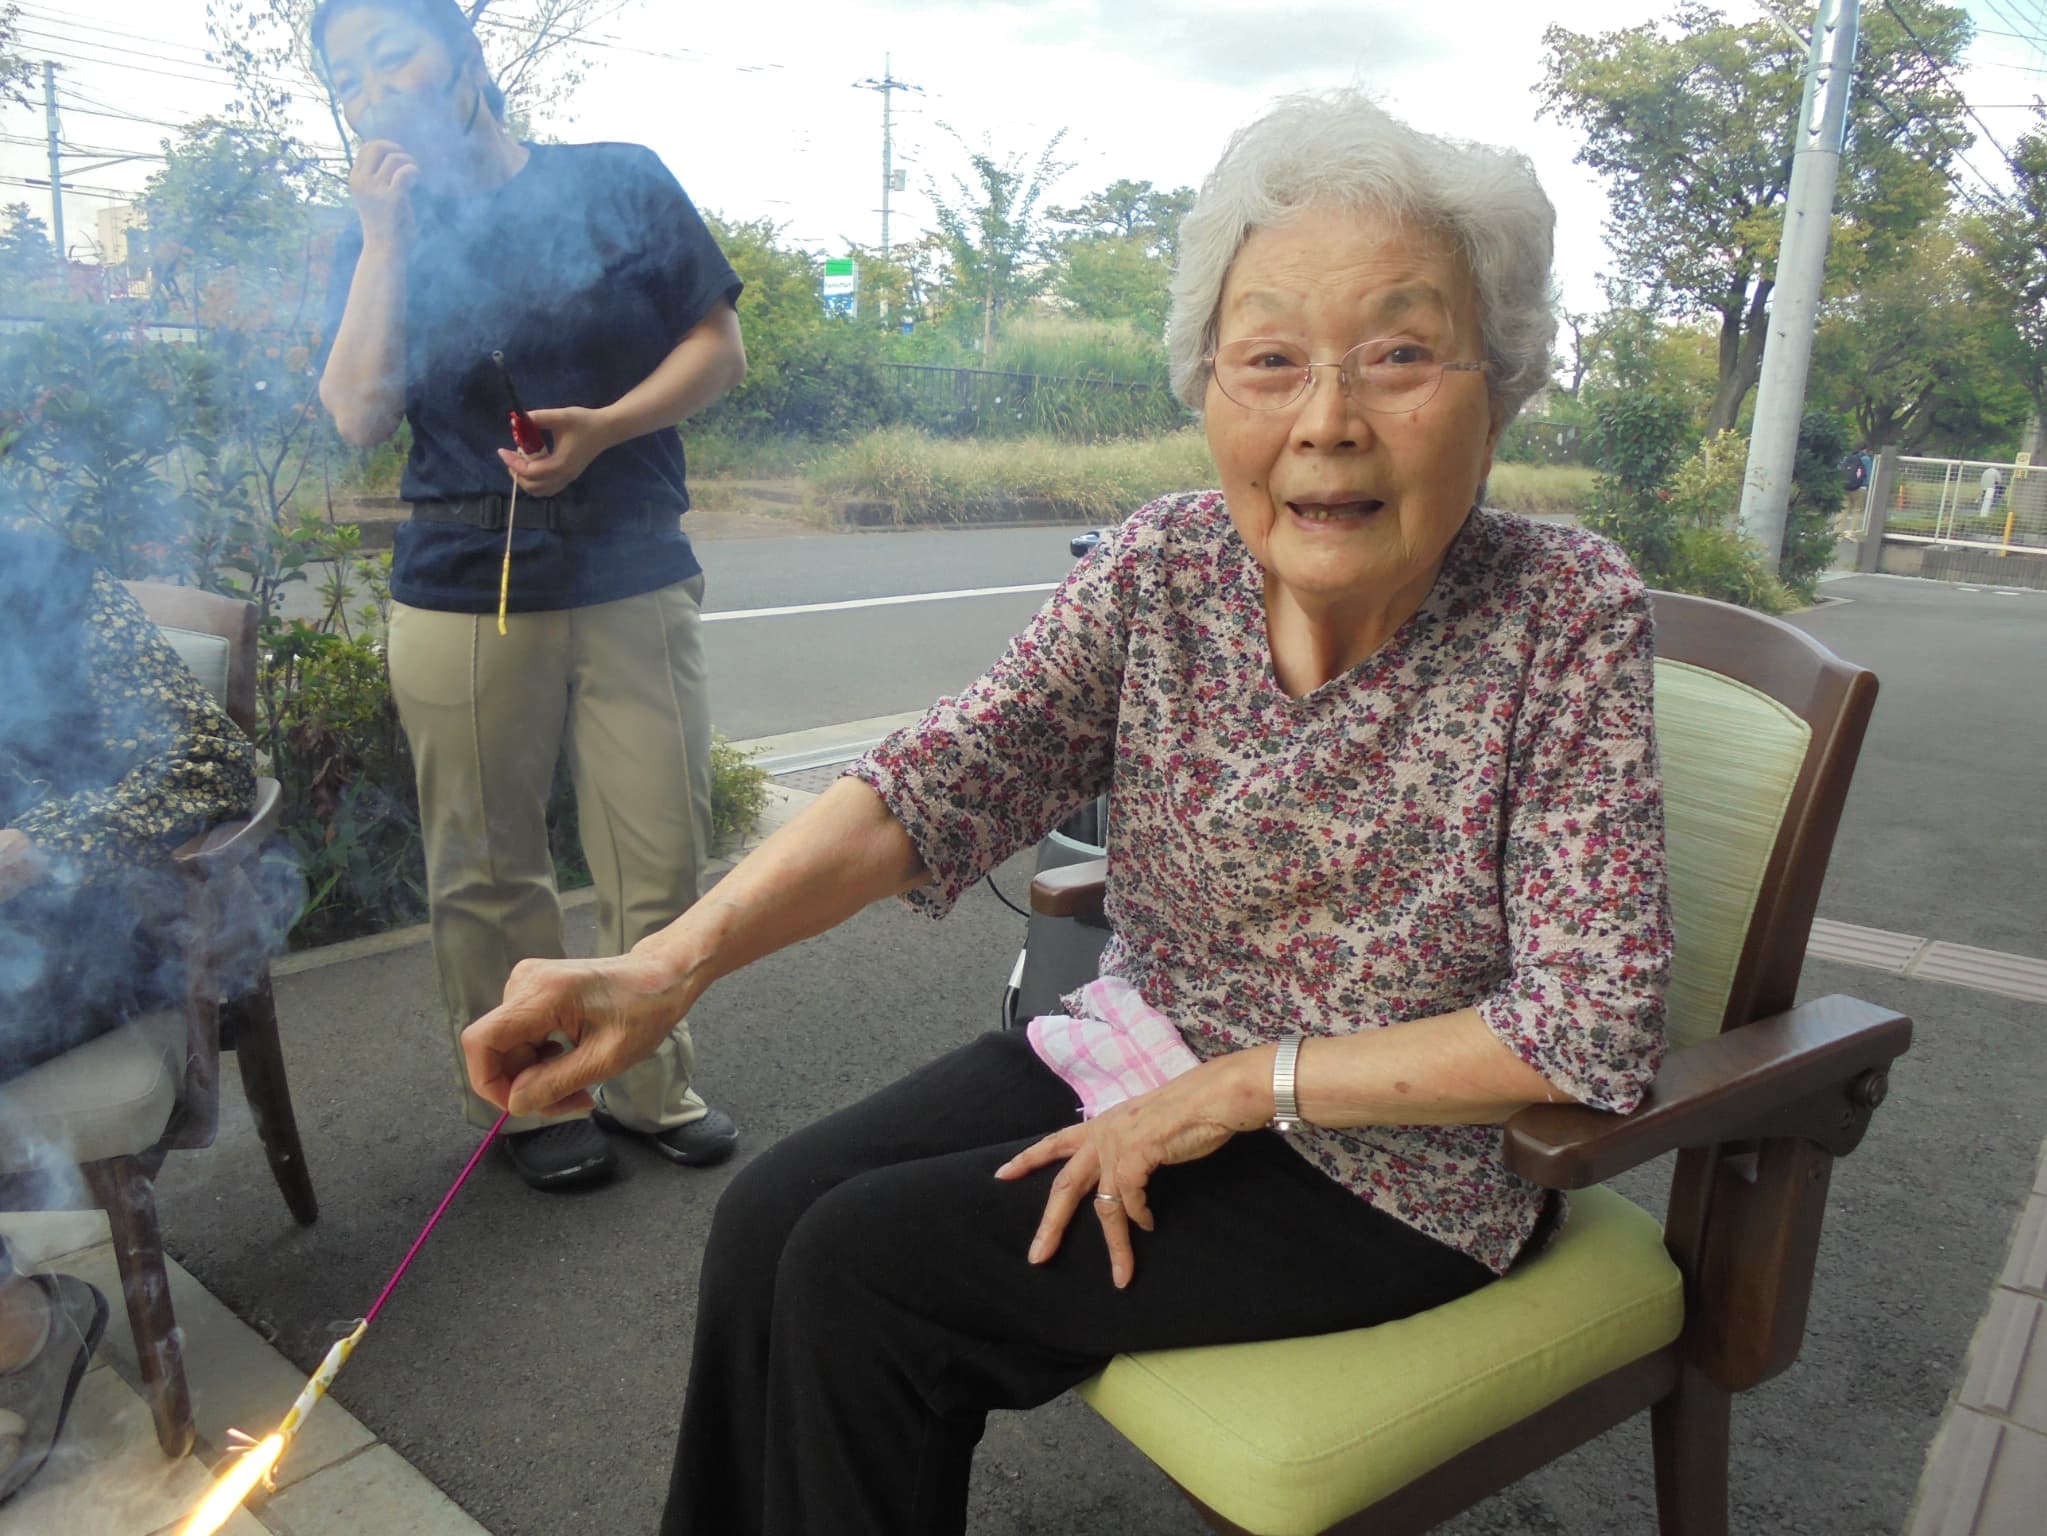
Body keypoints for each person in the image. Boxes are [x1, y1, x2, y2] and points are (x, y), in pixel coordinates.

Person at [463, 91, 1673, 1535]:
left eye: (1400, 356)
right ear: (1207, 387)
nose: (1328, 423)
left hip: (1390, 1170)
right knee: (765, 1217)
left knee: (868, 1273)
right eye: (1269, 360)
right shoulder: (1164, 568)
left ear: (1502, 383)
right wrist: (665, 968)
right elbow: (936, 779)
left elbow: (1589, 1025)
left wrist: (1232, 1089)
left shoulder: (1561, 608)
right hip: (1139, 1054)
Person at [312, 0, 749, 1190]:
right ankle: (532, 1097)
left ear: (466, 54)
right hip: (461, 582)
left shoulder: (616, 181)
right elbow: (354, 411)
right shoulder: (374, 224)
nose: (372, 87)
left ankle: (653, 1080)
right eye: (345, 75)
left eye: (391, 51)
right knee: (484, 864)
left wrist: (605, 429)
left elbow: (719, 350)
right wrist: (386, 237)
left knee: (658, 851)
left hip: (628, 564)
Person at [0, 519, 258, 1502]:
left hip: (77, 933)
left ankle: (22, 1332)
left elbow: (206, 767)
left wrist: (34, 845)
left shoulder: (45, 577)